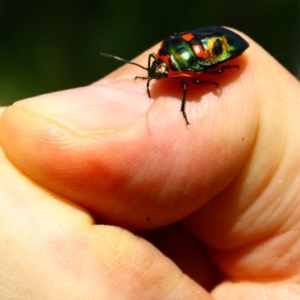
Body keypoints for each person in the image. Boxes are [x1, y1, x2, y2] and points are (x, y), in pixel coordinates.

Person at [0, 29, 300, 299]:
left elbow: (199, 76)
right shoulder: (168, 59)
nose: (155, 74)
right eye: (155, 70)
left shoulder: (186, 72)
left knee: (193, 84)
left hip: (205, 49)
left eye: (159, 71)